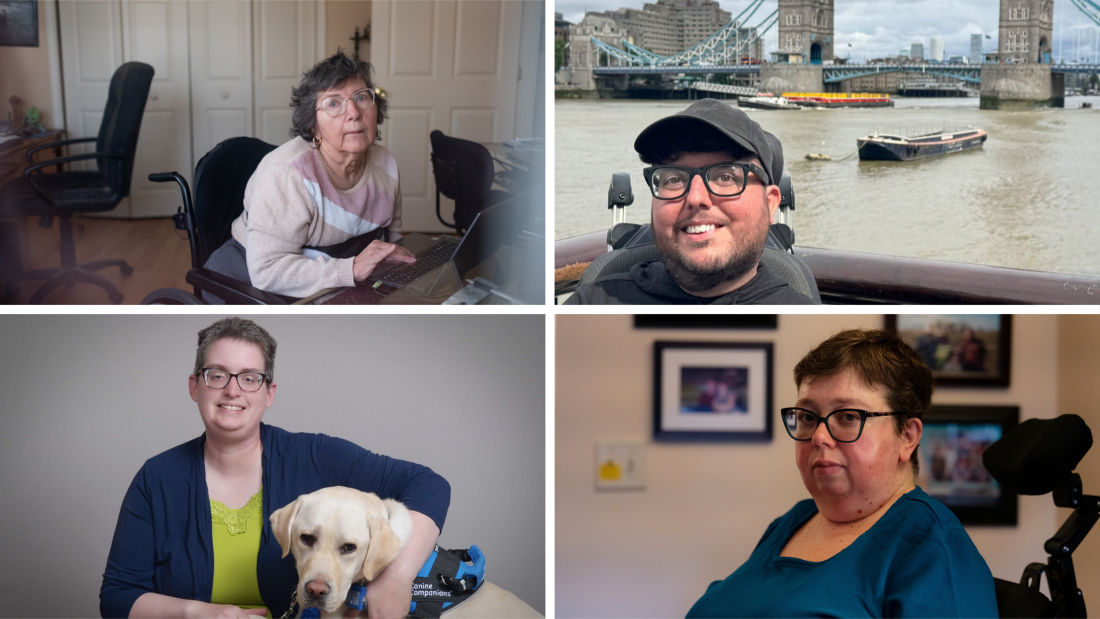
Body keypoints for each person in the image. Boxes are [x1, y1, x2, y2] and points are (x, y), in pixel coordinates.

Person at [100, 318, 450, 619]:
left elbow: (427, 484)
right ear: (195, 386)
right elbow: (116, 597)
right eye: (217, 374)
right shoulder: (156, 478)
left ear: (269, 393)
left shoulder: (313, 455)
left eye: (250, 378)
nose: (232, 390)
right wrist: (197, 612)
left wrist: (397, 577)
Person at [687, 329, 997, 617]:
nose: (819, 436)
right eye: (808, 416)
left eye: (848, 416)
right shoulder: (793, 521)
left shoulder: (933, 548)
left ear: (907, 437)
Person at [202, 51, 416, 302]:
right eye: (334, 103)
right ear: (313, 125)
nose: (354, 112)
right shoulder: (287, 174)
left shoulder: (386, 164)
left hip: (338, 282)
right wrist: (353, 269)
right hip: (253, 286)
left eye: (361, 97)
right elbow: (267, 271)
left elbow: (392, 236)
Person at [566, 98, 818, 305]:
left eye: (726, 176)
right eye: (674, 179)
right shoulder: (592, 306)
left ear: (771, 204)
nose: (696, 198)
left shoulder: (810, 330)